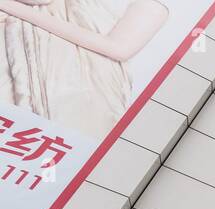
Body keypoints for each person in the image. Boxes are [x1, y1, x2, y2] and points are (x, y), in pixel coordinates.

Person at [0, 0, 171, 139]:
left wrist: (12, 7)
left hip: (80, 89)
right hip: (20, 70)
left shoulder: (152, 6)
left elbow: (117, 49)